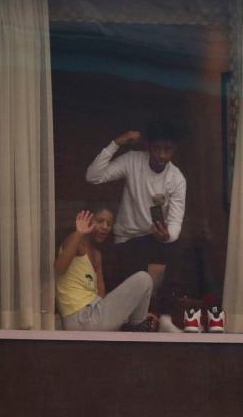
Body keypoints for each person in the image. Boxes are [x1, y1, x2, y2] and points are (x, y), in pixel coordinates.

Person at [85, 121, 187, 329]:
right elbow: (93, 177)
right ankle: (136, 323)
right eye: (157, 148)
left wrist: (168, 236)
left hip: (156, 237)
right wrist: (116, 143)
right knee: (136, 277)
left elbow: (176, 221)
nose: (162, 155)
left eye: (167, 150)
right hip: (128, 238)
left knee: (181, 250)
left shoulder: (177, 178)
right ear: (149, 147)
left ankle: (166, 316)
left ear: (174, 150)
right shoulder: (132, 161)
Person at [54, 204, 155, 332]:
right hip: (79, 318)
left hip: (94, 314)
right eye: (100, 221)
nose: (105, 227)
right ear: (87, 219)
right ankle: (138, 325)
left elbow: (100, 296)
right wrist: (79, 233)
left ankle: (137, 324)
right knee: (143, 279)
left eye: (109, 224)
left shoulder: (97, 255)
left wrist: (132, 310)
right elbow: (59, 269)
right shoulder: (76, 240)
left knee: (142, 285)